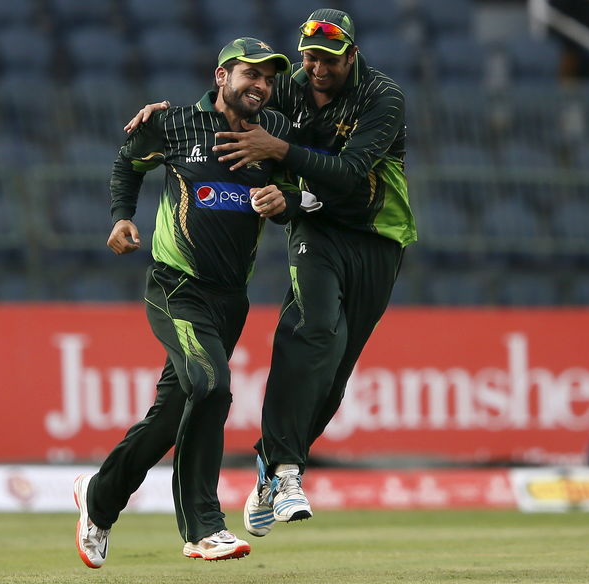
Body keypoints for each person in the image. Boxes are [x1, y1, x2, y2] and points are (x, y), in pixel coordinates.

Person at [124, 9, 417, 537]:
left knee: (335, 370)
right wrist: (170, 117)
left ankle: (270, 469)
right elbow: (234, 97)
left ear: (352, 55)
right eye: (308, 57)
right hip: (313, 222)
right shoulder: (290, 88)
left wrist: (279, 149)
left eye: (329, 58)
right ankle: (285, 472)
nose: (316, 68)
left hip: (378, 234)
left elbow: (351, 177)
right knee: (314, 329)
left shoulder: (383, 97)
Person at [74, 38, 299, 568]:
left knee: (171, 412)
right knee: (212, 385)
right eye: (250, 74)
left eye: (269, 79)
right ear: (221, 76)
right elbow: (129, 163)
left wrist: (283, 201)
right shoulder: (173, 123)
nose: (261, 85)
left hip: (230, 300)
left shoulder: (277, 134)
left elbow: (293, 195)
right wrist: (121, 216)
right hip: (175, 286)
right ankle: (203, 527)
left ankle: (99, 499)